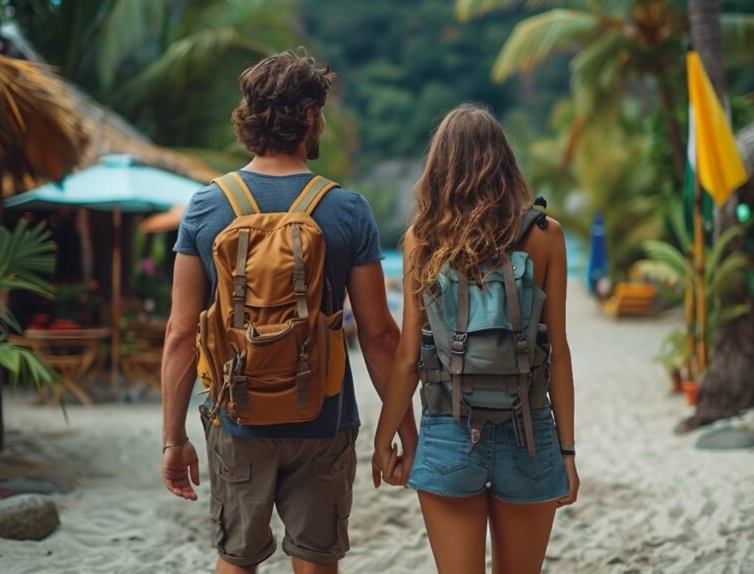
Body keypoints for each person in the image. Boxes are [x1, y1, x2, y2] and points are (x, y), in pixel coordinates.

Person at [160, 51, 417, 574]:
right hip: (323, 420)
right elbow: (380, 334)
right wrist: (401, 429)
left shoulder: (207, 207)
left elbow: (180, 332)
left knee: (236, 559)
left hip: (236, 417)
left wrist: (173, 437)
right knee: (316, 561)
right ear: (311, 117)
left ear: (249, 118)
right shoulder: (347, 209)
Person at [372, 105, 580, 574]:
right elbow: (560, 353)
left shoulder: (421, 241)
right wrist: (566, 452)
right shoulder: (546, 236)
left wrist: (386, 439)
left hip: (449, 429)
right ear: (505, 163)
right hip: (530, 429)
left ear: (438, 169)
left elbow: (408, 357)